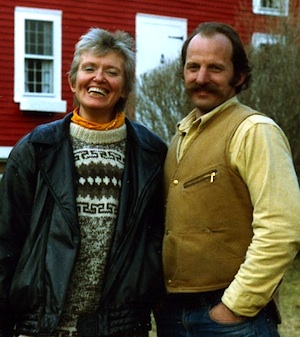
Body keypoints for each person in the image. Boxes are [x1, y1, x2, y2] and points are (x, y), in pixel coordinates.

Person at [0, 28, 167, 337]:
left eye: (112, 72)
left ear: (126, 87)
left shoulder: (151, 154)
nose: (98, 78)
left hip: (120, 328)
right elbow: (5, 241)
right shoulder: (36, 149)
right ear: (73, 80)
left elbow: (157, 245)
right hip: (41, 327)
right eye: (89, 68)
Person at [154, 22, 300, 337]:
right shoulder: (180, 137)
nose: (201, 78)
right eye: (193, 67)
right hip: (176, 316)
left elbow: (282, 228)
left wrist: (234, 307)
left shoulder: (254, 131)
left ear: (239, 77)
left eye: (215, 68)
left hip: (230, 320)